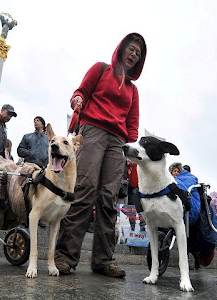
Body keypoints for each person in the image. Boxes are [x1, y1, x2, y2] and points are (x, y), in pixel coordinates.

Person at [55, 33, 146, 278]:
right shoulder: (101, 68)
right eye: (131, 49)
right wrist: (77, 99)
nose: (134, 55)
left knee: (108, 198)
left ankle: (103, 260)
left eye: (138, 53)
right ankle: (64, 256)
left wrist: (129, 140)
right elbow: (81, 91)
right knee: (84, 190)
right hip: (92, 131)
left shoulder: (133, 90)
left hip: (117, 141)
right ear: (121, 49)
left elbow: (133, 122)